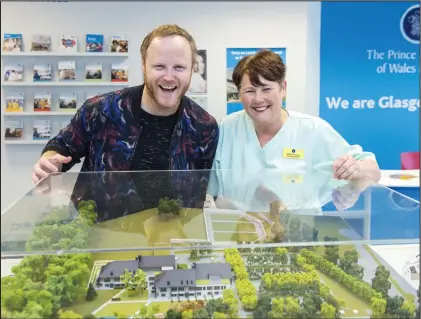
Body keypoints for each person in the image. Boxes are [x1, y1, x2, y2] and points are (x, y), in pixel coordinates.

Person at [32, 24, 219, 184]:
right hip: (96, 225)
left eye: (179, 67)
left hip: (174, 227)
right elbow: (61, 146)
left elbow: (201, 190)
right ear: (144, 65)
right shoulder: (101, 110)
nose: (169, 77)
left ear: (191, 69)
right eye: (159, 67)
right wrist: (49, 162)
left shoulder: (204, 126)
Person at [208, 50, 381, 201]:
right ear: (239, 93)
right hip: (238, 233)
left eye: (266, 89)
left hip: (297, 233)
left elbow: (373, 169)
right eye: (250, 91)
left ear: (283, 88)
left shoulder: (312, 130)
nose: (258, 99)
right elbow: (211, 189)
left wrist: (355, 172)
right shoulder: (227, 128)